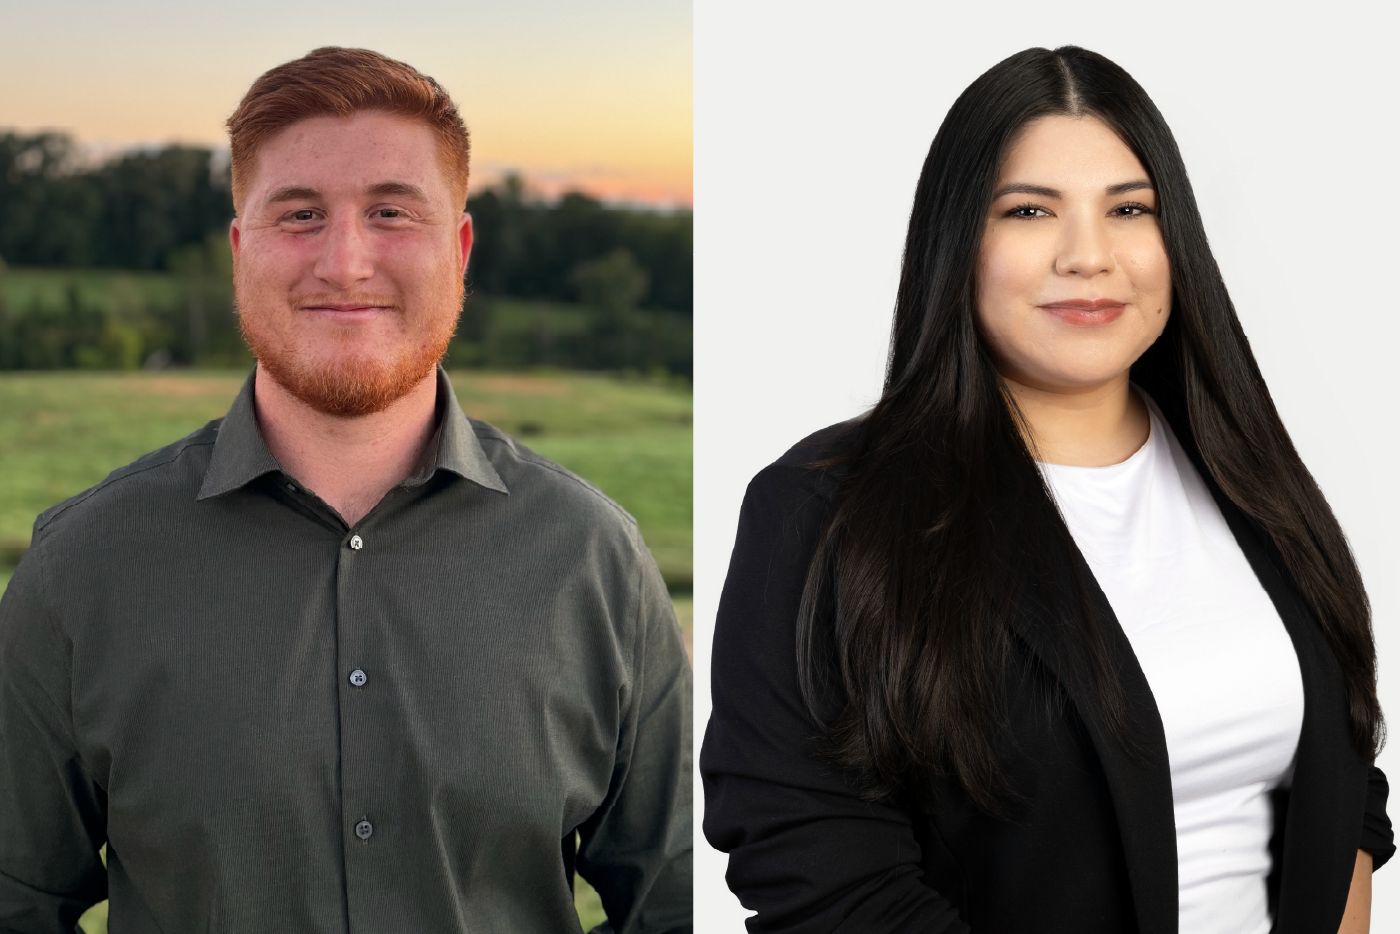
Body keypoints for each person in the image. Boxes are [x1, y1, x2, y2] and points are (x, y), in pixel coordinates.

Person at [701, 46, 1391, 934]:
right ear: (958, 242)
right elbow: (818, 874)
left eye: (1129, 209)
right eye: (1029, 211)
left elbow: (1346, 787)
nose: (1089, 257)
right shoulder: (823, 513)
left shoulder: (1251, 479)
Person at [0, 47, 691, 934]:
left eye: (392, 212)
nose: (346, 261)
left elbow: (679, 904)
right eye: (301, 215)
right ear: (241, 249)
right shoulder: (82, 569)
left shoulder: (596, 562)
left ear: (461, 248)